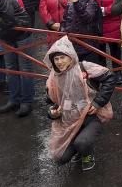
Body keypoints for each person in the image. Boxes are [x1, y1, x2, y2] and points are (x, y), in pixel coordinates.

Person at [44, 36, 116, 171]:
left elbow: (110, 78)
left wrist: (98, 103)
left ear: (71, 56)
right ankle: (79, 146)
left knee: (82, 142)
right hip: (69, 120)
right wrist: (52, 113)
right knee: (60, 158)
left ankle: (86, 154)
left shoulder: (83, 67)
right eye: (56, 59)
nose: (59, 62)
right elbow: (51, 102)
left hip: (92, 116)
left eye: (62, 57)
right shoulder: (53, 78)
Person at [60, 0, 103, 64]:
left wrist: (77, 3)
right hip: (72, 44)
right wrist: (63, 31)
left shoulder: (92, 2)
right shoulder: (70, 3)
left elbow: (87, 18)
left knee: (90, 72)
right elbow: (65, 20)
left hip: (88, 44)